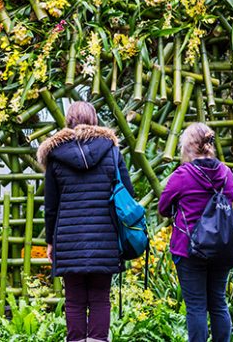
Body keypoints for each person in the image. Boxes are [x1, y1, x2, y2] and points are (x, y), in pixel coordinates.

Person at [38, 101, 135, 342]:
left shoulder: (55, 156)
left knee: (74, 299)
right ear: (94, 121)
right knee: (101, 297)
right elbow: (128, 193)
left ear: (68, 121)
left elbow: (51, 205)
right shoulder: (111, 151)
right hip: (106, 237)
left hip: (69, 240)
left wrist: (50, 241)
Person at [158, 123, 233, 342]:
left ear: (188, 146)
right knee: (218, 302)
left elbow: (163, 208)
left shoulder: (182, 175)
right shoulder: (226, 173)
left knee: (196, 307)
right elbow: (228, 201)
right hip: (222, 247)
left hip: (189, 248)